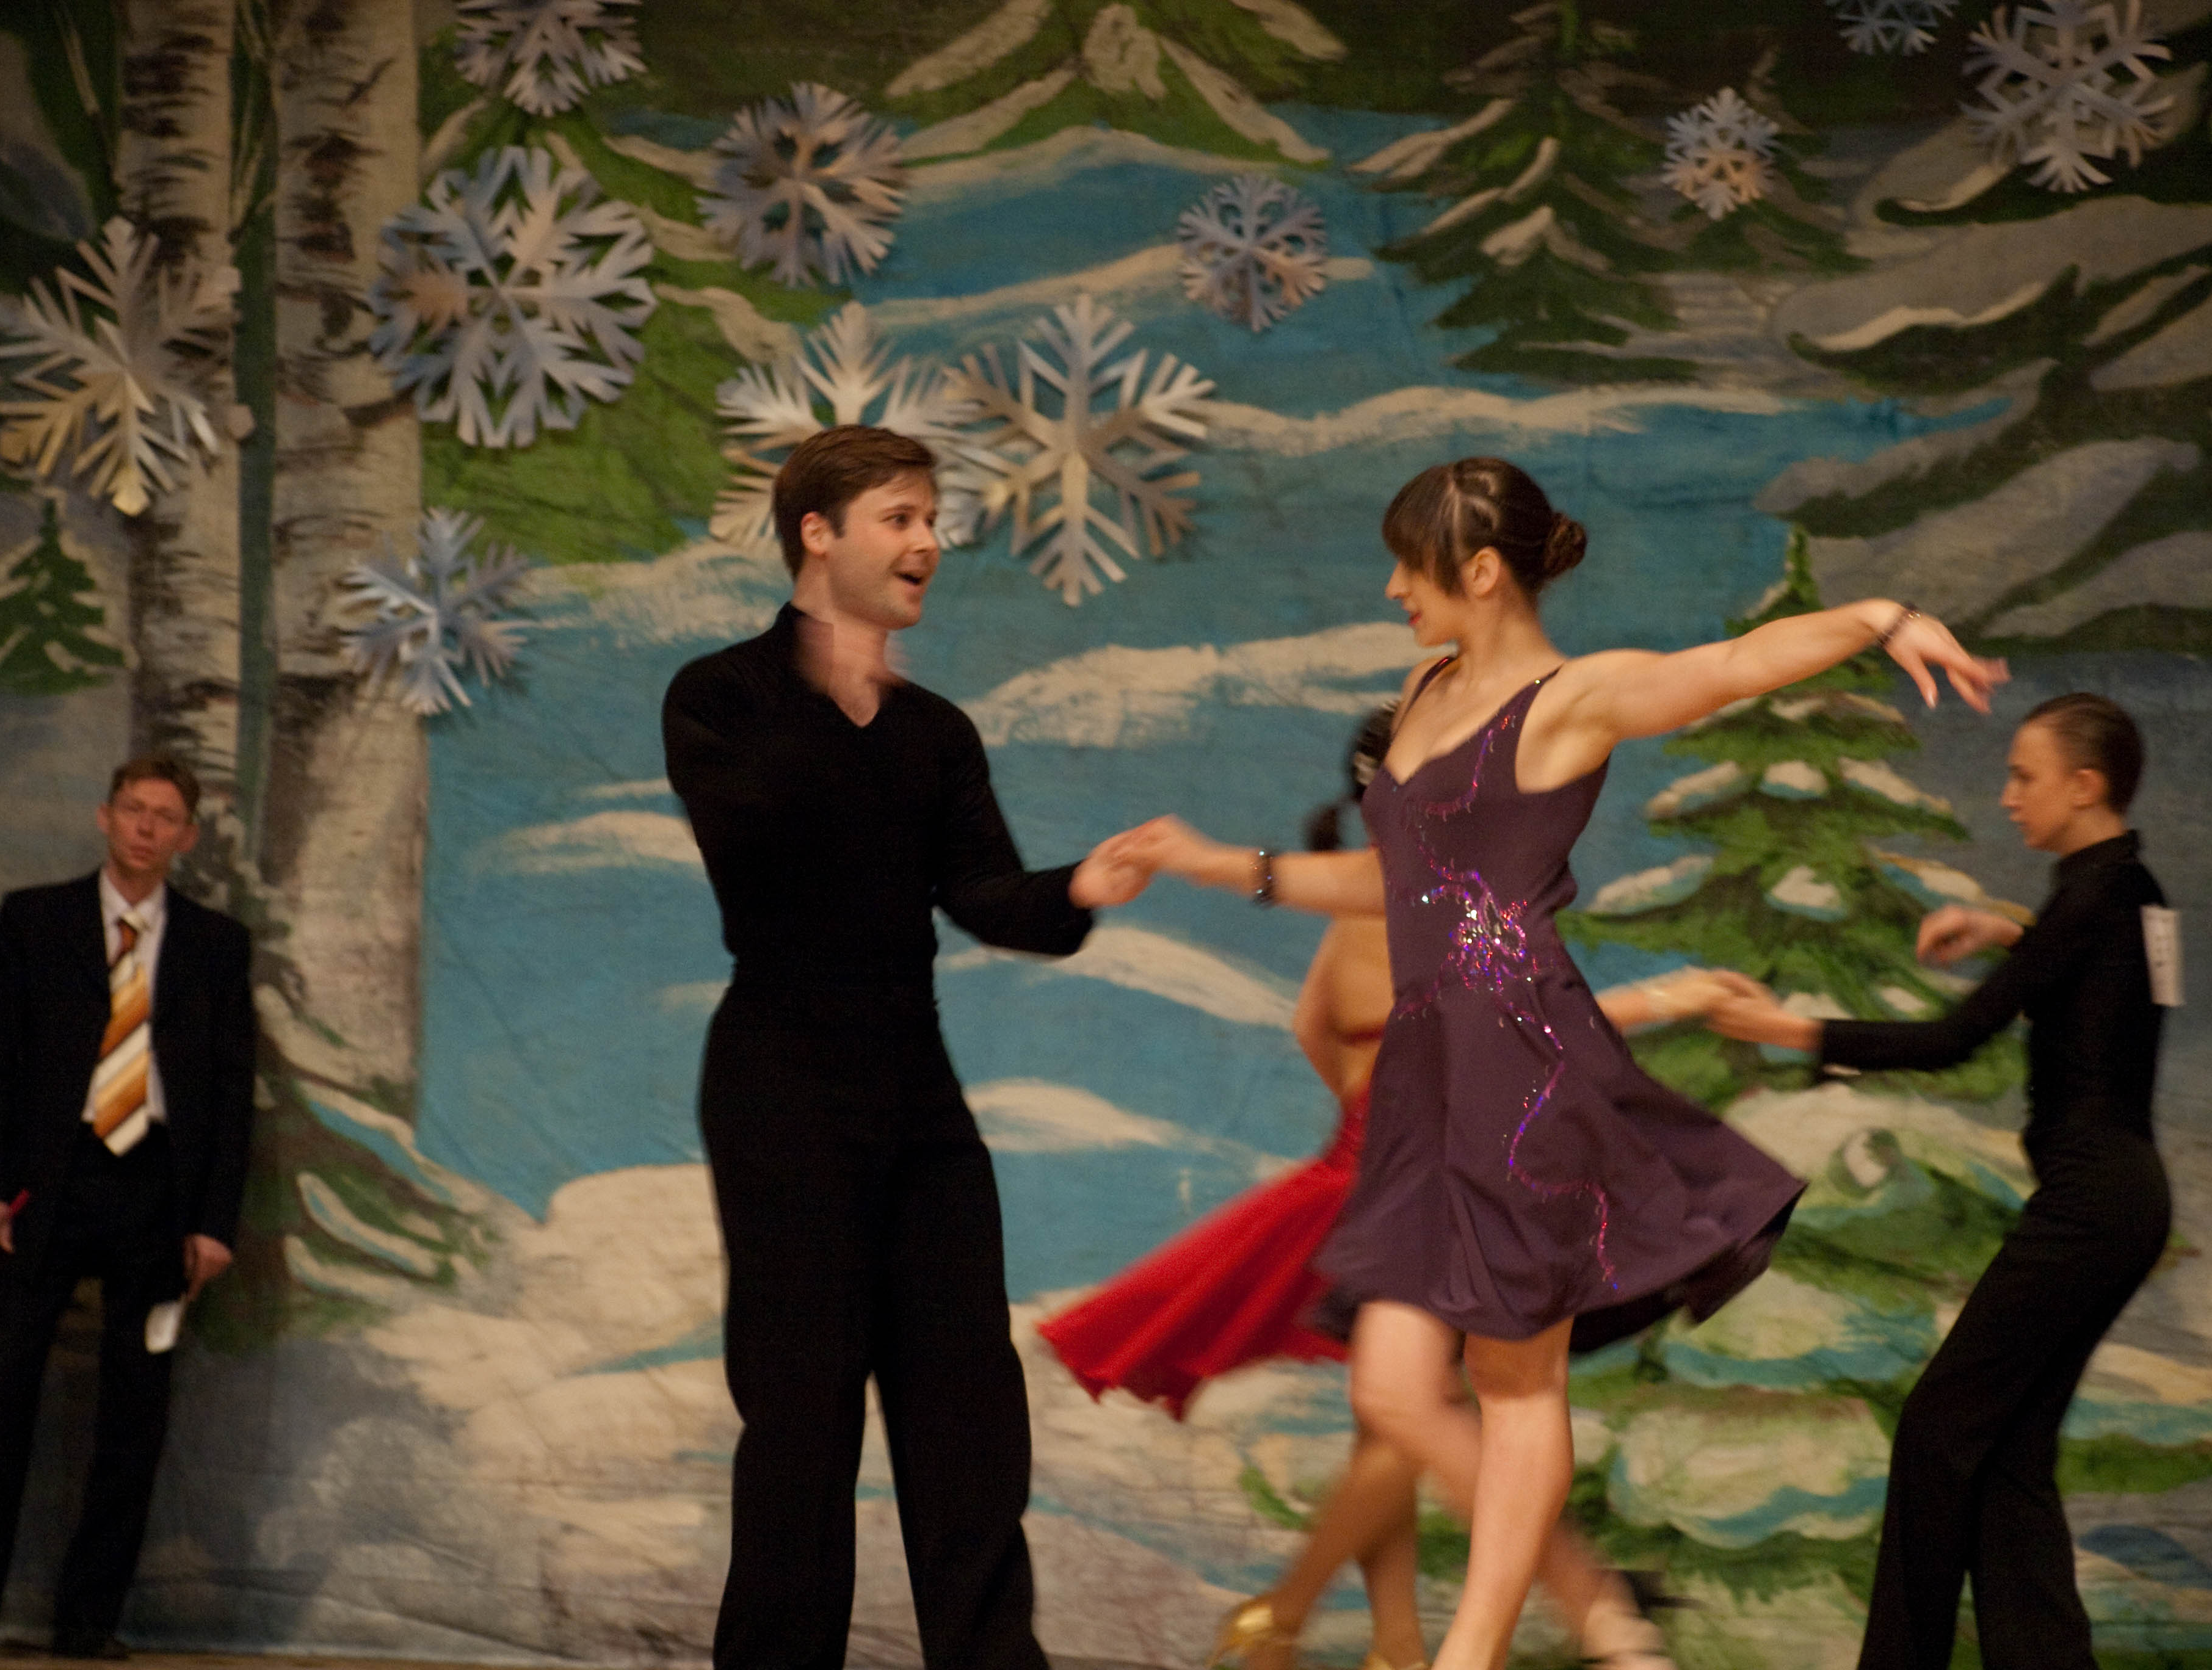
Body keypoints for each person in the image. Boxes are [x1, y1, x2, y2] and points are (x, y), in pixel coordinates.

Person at [1120, 456, 2004, 1670]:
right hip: (1431, 1065)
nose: (1392, 590)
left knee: (1515, 1380)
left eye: (1410, 568)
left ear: (1482, 572)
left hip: (1519, 1061)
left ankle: (1473, 1655)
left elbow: (1731, 667)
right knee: (1409, 1384)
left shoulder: (1571, 700)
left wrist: (1882, 619)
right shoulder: (1427, 687)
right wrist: (1217, 863)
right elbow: (1399, 884)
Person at [1042, 704, 1763, 1670]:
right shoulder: (1422, 891)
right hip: (1420, 1177)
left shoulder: (1376, 896)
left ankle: (1382, 1640)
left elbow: (1317, 1026)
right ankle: (1565, 1611)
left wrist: (1373, 1102)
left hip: (1374, 1165)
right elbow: (1529, 1018)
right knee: (1408, 1411)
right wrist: (1673, 996)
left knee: (1393, 1415)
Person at [661, 425, 1151, 1670]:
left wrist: (1077, 886)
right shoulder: (722, 696)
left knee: (967, 1413)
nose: (930, 540)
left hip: (915, 1093)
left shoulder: (935, 729)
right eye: (901, 517)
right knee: (802, 1419)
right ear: (817, 533)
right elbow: (759, 836)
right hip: (782, 1080)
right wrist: (837, 683)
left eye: (934, 518)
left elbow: (982, 894)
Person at [1706, 693, 2170, 1670]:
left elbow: (1955, 1039)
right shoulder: (2131, 892)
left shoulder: (2094, 900)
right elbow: (2111, 982)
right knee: (2008, 1453)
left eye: (2025, 777)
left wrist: (1792, 1029)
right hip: (2122, 1200)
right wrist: (2009, 935)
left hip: (2092, 1204)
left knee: (1936, 1427)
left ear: (2086, 787)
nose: (2008, 796)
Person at [0, 756, 256, 1660]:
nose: (146, 827)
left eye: (165, 816)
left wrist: (213, 1222)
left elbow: (231, 1091)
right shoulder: (35, 921)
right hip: (49, 1185)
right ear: (105, 817)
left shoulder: (217, 945)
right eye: (133, 809)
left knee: (136, 1414)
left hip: (159, 1194)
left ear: (187, 835)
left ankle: (88, 1621)